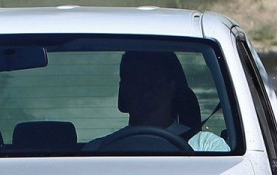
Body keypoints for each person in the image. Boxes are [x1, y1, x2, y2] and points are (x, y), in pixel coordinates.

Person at [89, 51, 229, 152]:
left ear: (172, 87)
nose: (145, 91)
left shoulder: (206, 146)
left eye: (154, 82)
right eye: (136, 82)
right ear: (123, 91)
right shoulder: (95, 150)